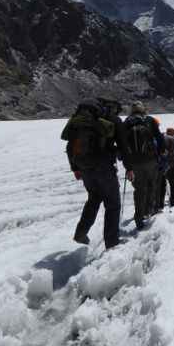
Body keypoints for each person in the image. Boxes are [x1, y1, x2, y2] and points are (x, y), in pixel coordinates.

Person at [61, 96, 135, 248]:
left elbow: (70, 146)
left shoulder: (80, 119)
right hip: (104, 167)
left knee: (94, 197)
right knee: (113, 204)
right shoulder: (112, 120)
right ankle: (112, 241)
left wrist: (75, 168)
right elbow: (122, 146)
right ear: (113, 106)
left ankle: (81, 231)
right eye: (116, 108)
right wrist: (129, 168)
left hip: (84, 167)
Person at [124, 101, 166, 229]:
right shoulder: (149, 120)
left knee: (139, 190)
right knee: (152, 184)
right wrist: (162, 150)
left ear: (132, 111)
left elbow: (121, 142)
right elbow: (159, 138)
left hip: (134, 163)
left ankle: (139, 218)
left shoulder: (126, 122)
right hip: (150, 160)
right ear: (142, 109)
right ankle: (149, 209)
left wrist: (126, 163)